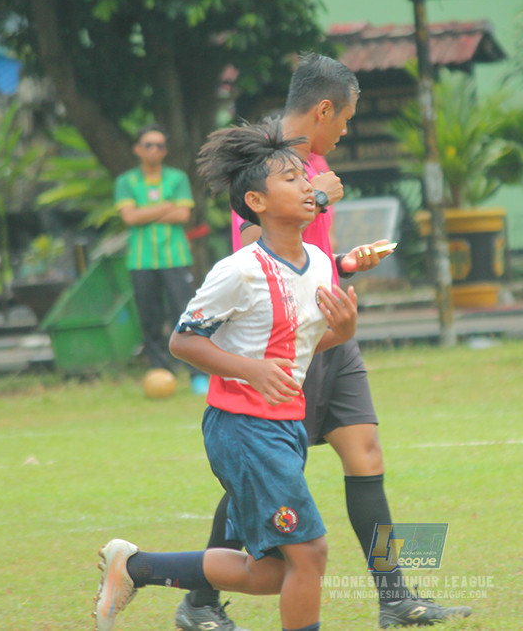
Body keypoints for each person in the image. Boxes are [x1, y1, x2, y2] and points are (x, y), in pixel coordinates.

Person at [176, 54, 472, 630]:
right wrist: (321, 196)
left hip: (337, 336)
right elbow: (258, 247)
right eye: (346, 120)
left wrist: (342, 265)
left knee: (366, 456)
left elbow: (302, 260)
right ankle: (200, 600)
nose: (345, 132)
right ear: (323, 109)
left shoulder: (309, 169)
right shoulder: (274, 168)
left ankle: (395, 598)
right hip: (293, 346)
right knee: (257, 479)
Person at [93, 118, 359, 631]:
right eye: (290, 179)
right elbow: (182, 340)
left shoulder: (322, 266)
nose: (308, 186)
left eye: (306, 177)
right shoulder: (238, 270)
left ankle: (137, 567)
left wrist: (341, 333)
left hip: (285, 426)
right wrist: (250, 371)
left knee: (269, 573)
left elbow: (300, 348)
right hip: (242, 428)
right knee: (311, 553)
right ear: (256, 202)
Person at [115, 124, 209, 395]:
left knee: (186, 314)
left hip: (175, 257)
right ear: (137, 149)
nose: (154, 150)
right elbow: (129, 218)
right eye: (148, 145)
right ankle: (160, 371)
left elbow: (182, 216)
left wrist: (147, 212)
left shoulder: (176, 178)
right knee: (150, 318)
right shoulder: (126, 182)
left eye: (159, 145)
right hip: (141, 260)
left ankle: (196, 374)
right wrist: (167, 206)